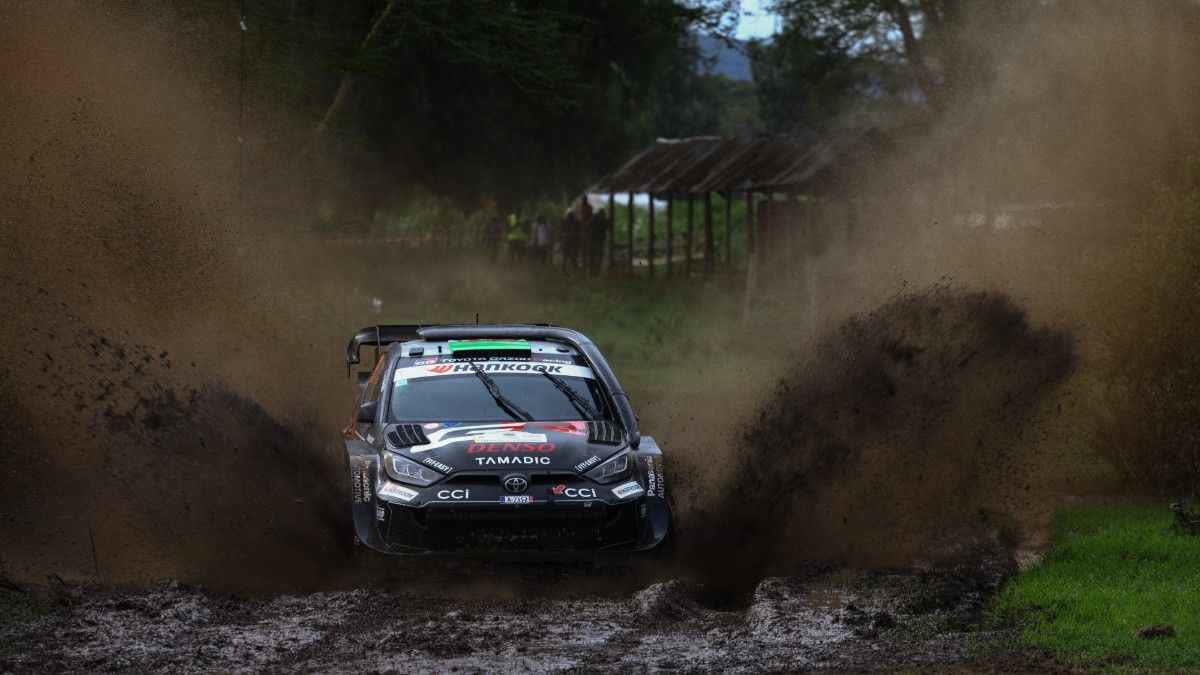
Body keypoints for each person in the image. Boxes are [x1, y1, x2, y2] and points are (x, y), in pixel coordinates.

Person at [589, 207, 608, 276]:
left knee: (593, 255)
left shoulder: (594, 218)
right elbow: (607, 227)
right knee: (598, 256)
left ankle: (593, 271)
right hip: (599, 240)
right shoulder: (602, 219)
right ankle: (596, 271)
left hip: (594, 239)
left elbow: (589, 226)